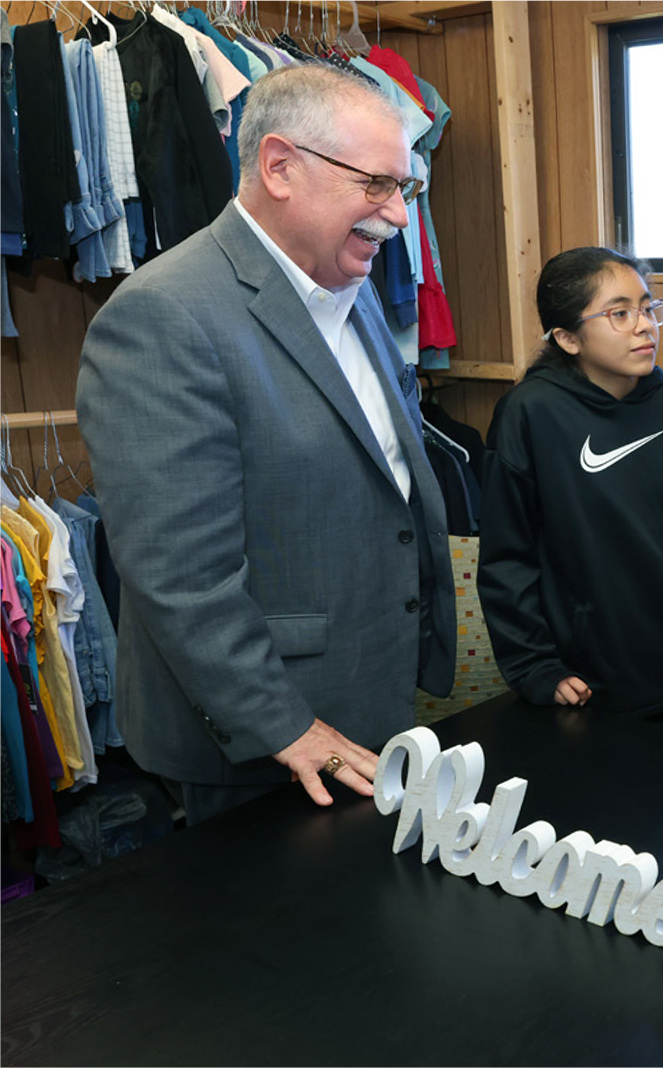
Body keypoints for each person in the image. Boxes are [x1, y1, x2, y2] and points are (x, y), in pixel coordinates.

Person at [76, 65, 455, 824]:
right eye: (376, 185)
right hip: (263, 742)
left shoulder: (354, 289)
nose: (395, 216)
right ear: (280, 166)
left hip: (369, 702)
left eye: (404, 191)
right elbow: (180, 572)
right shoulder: (163, 316)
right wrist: (286, 725)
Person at [476, 247, 663, 723]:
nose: (644, 325)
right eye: (619, 313)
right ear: (567, 337)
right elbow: (507, 559)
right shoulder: (531, 414)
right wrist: (536, 666)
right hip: (583, 693)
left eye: (647, 307)